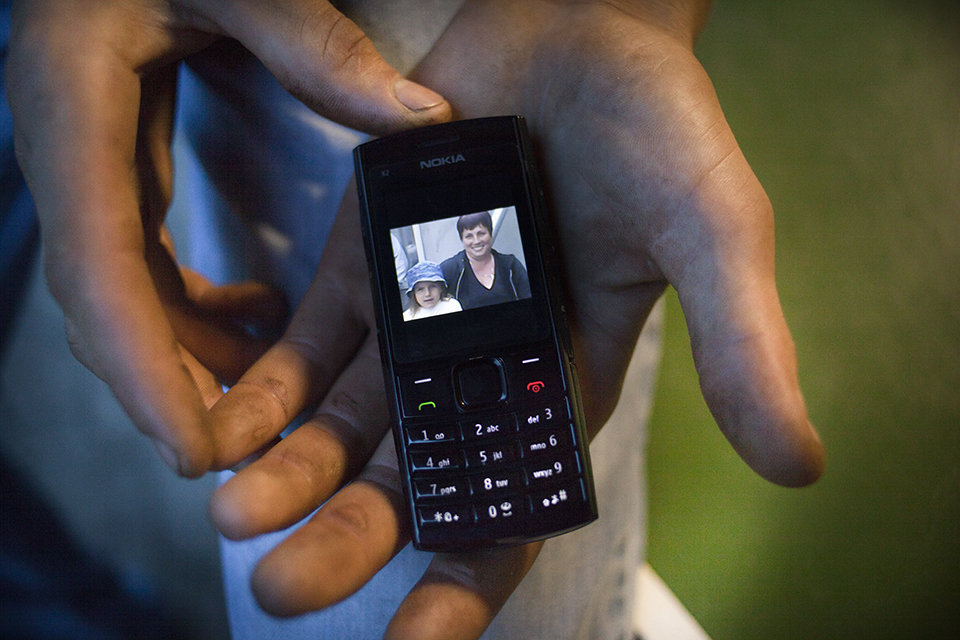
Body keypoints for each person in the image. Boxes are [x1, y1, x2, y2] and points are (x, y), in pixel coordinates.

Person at [2, 1, 825, 639]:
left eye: (478, 229)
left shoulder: (505, 265)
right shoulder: (432, 277)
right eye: (466, 232)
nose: (473, 236)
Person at [439, 211, 531, 310]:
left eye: (481, 233)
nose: (476, 241)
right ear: (462, 240)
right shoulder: (450, 269)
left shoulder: (510, 265)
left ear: (490, 234)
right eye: (469, 236)